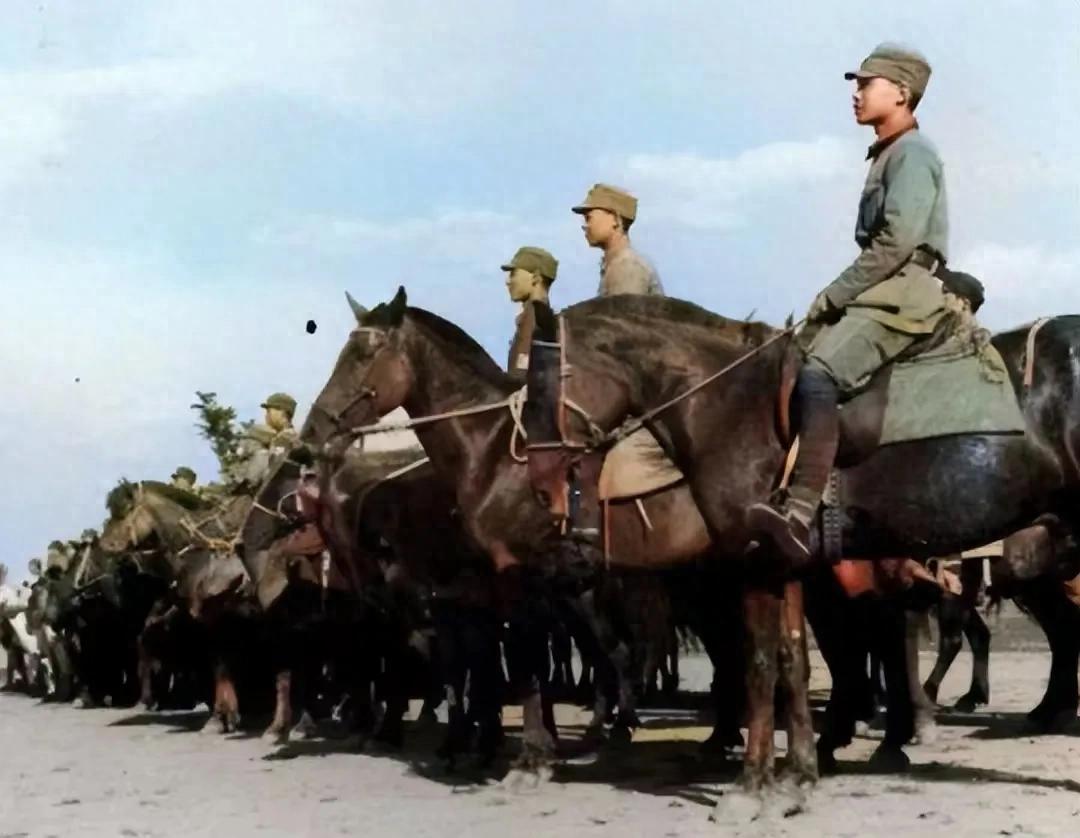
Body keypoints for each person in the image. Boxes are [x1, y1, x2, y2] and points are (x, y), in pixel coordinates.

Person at [748, 43, 950, 566]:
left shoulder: (912, 154)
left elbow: (897, 241)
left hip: (904, 290)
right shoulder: (890, 152)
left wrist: (834, 294)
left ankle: (799, 513)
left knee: (819, 374)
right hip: (886, 287)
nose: (855, 94)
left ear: (900, 93)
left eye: (865, 84)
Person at [572, 183, 663, 296]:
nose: (585, 225)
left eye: (588, 218)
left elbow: (625, 307)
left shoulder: (627, 266)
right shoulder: (617, 264)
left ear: (615, 219)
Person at [501, 246, 558, 378]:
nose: (508, 281)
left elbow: (521, 374)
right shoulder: (540, 316)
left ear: (536, 277)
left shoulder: (535, 316)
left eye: (513, 274)